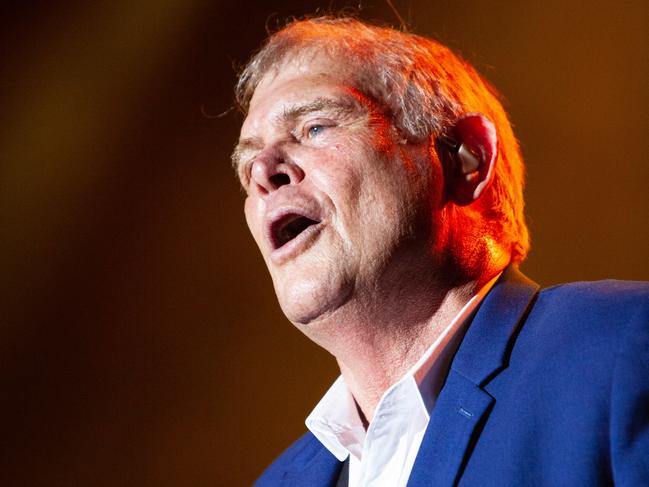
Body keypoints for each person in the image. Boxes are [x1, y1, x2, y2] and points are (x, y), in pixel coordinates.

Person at [231, 16, 649, 487]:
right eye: (246, 165)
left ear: (466, 158)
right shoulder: (279, 481)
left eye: (315, 127)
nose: (264, 171)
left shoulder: (625, 346)